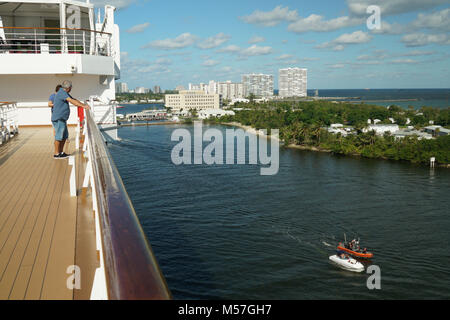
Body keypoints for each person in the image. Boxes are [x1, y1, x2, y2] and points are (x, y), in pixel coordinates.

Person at [52, 80, 90, 159]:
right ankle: (56, 154)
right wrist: (83, 107)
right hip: (59, 119)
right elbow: (72, 101)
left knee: (64, 136)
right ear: (69, 88)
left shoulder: (64, 93)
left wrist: (83, 105)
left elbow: (74, 99)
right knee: (59, 137)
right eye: (71, 87)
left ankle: (61, 152)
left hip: (62, 119)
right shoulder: (62, 93)